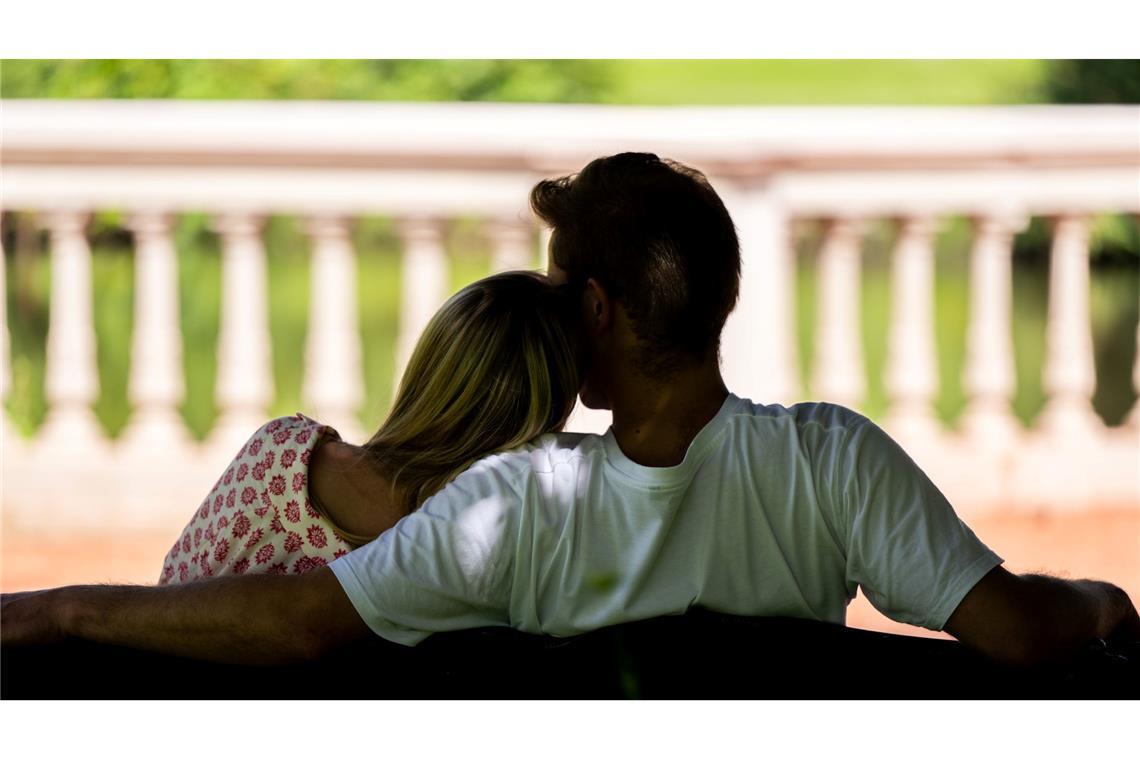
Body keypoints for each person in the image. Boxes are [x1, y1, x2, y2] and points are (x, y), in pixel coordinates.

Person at [3, 153, 1137, 669]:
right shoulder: (832, 462)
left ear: (595, 307)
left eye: (557, 282)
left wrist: (54, 616)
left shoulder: (519, 506)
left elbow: (299, 623)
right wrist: (1100, 596)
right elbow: (1016, 635)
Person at [156, 271, 580, 585]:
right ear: (548, 414)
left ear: (429, 368)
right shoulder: (501, 557)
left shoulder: (284, 461)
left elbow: (168, 599)